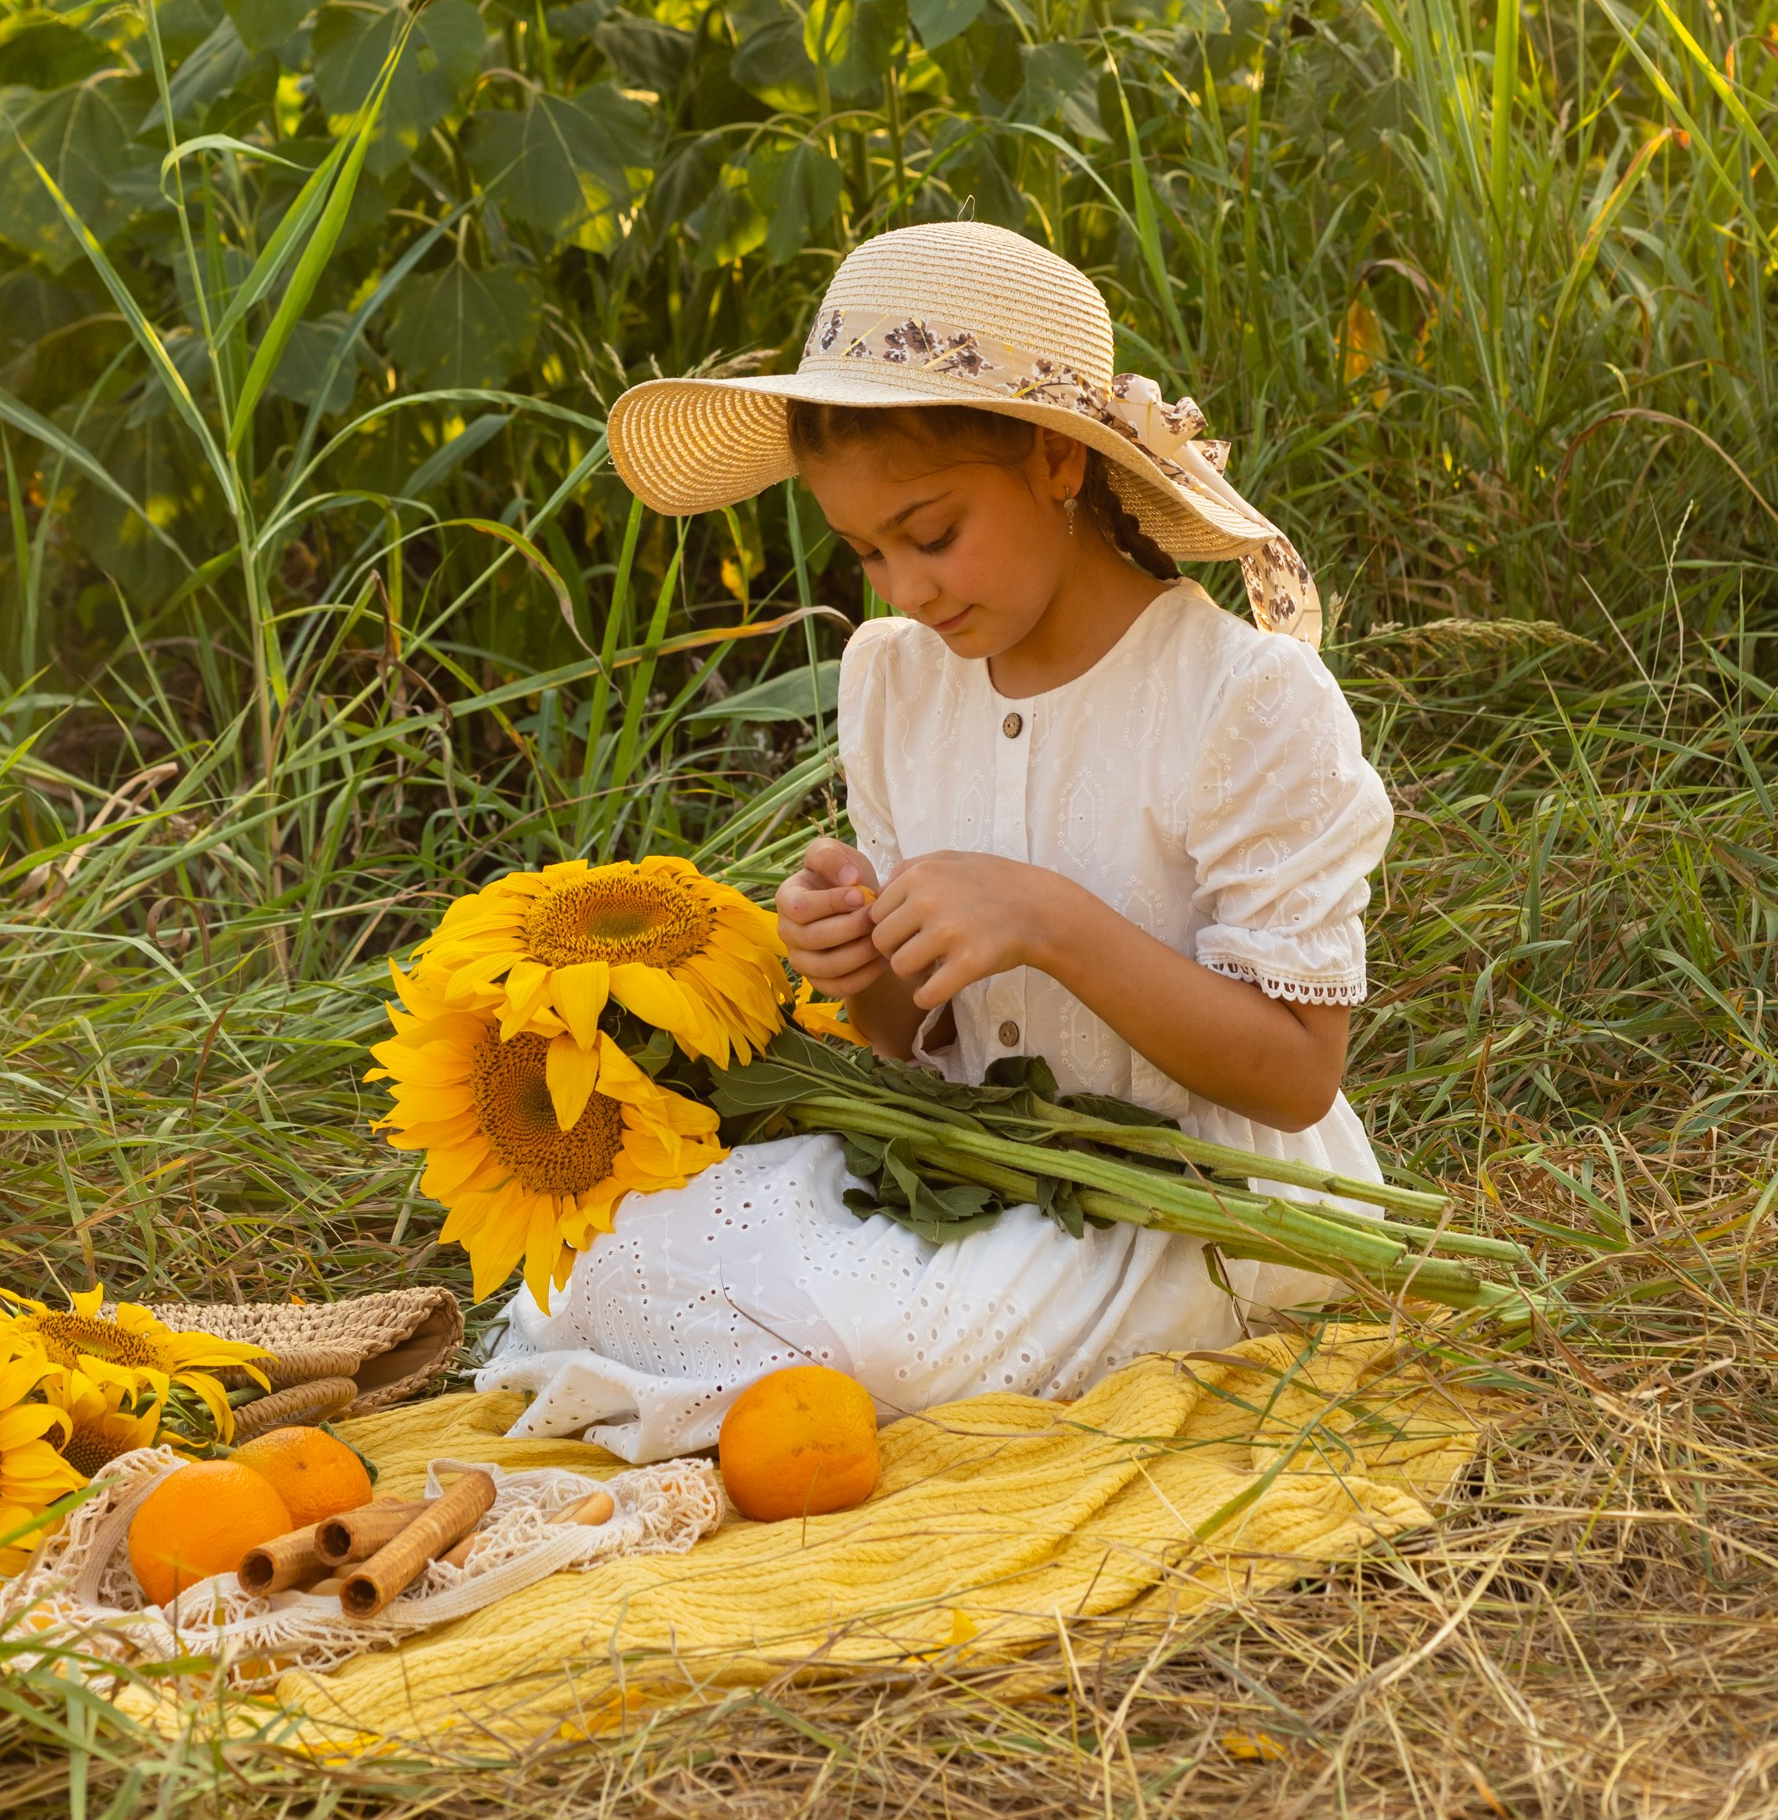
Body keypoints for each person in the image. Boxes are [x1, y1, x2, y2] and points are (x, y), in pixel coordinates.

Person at [474, 217, 1394, 1460]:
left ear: (1056, 464)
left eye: (931, 532)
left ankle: (828, 1360)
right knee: (595, 1266)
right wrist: (864, 965)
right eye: (863, 551)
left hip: (1194, 1196)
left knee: (878, 1345)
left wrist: (1056, 924)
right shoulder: (899, 683)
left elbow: (1297, 1073)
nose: (904, 587)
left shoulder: (1240, 701)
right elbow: (916, 1038)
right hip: (975, 1157)